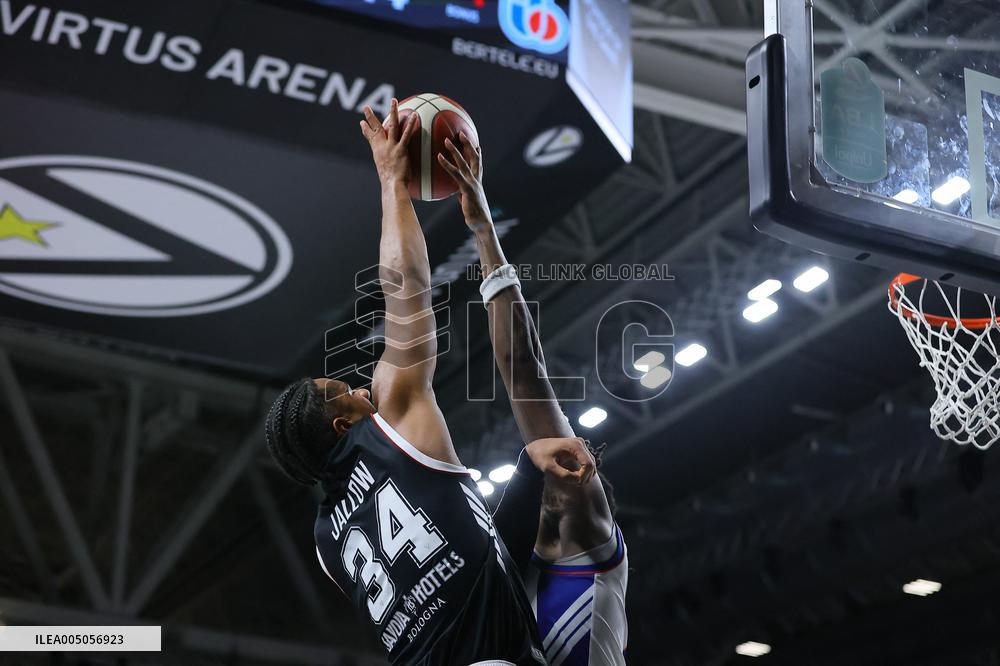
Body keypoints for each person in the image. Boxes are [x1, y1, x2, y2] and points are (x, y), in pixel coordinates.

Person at [263, 100, 595, 666]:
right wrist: (393, 180)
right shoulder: (387, 426)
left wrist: (525, 469)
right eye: (345, 390)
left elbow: (480, 559)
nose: (360, 386)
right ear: (345, 423)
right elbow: (406, 290)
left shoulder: (328, 544)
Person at [439, 132, 629, 665]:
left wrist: (483, 231)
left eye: (571, 465)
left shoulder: (589, 537)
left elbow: (523, 370)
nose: (561, 465)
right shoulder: (513, 569)